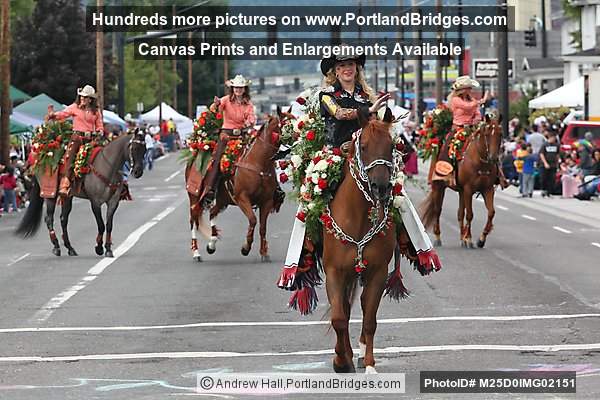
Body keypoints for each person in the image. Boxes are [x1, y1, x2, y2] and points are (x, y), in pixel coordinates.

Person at [200, 74, 258, 207]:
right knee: (217, 160)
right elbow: (215, 110)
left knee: (258, 156)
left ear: (244, 89)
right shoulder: (225, 100)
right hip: (226, 136)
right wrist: (216, 104)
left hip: (242, 136)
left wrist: (249, 122)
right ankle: (210, 190)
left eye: (241, 88)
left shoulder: (248, 103)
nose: (238, 90)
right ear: (232, 88)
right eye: (236, 87)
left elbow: (252, 117)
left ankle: (270, 189)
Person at [47, 85, 104, 197]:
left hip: (90, 139)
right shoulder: (74, 107)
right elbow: (63, 114)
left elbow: (99, 125)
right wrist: (53, 115)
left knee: (102, 155)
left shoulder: (96, 111)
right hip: (77, 138)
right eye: (82, 96)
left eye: (85, 97)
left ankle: (104, 180)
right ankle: (65, 184)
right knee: (70, 156)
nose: (82, 98)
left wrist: (100, 131)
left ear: (90, 99)